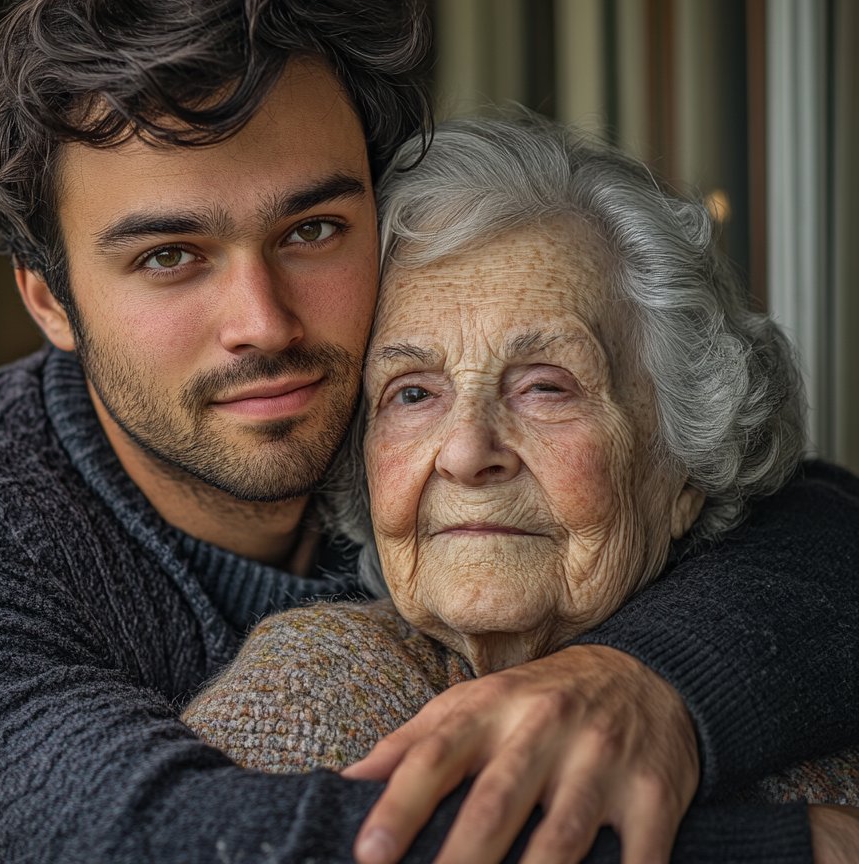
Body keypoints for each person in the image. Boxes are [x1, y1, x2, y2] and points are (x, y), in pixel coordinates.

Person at [0, 0, 856, 864]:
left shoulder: (415, 376)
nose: (264, 323)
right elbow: (148, 844)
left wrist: (656, 680)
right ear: (48, 300)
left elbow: (802, 517)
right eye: (169, 257)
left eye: (311, 230)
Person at [181, 114, 859, 852]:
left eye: (545, 388)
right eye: (413, 393)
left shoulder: (815, 686)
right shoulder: (317, 697)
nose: (468, 453)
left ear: (686, 467)